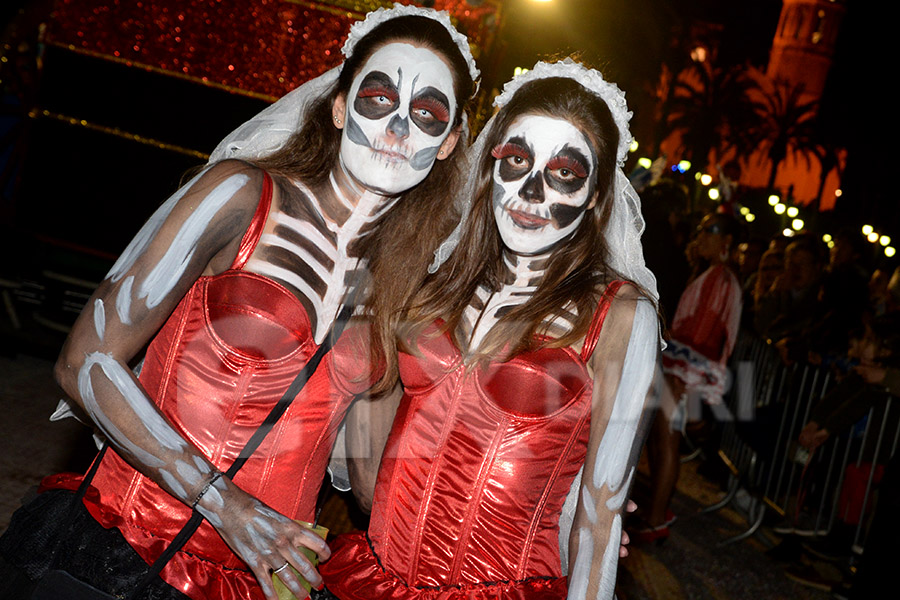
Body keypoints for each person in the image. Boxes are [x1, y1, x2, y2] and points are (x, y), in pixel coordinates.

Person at [0, 6, 477, 600]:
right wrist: (227, 507)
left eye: (428, 114)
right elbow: (84, 361)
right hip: (127, 547)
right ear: (338, 105)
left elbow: (368, 476)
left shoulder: (402, 288)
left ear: (451, 141)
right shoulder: (238, 195)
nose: (399, 128)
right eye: (379, 98)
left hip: (257, 583)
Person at [317, 58, 661, 599]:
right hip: (375, 578)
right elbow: (366, 472)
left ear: (595, 196)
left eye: (565, 173)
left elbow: (599, 516)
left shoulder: (620, 316)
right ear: (488, 167)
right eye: (517, 160)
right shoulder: (430, 281)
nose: (531, 192)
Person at [637, 210, 743, 541]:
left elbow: (704, 338)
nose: (701, 236)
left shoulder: (722, 278)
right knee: (660, 440)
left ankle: (656, 519)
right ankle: (658, 510)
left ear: (727, 241)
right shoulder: (711, 274)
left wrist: (682, 378)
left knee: (667, 441)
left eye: (709, 230)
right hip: (682, 368)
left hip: (688, 372)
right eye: (700, 229)